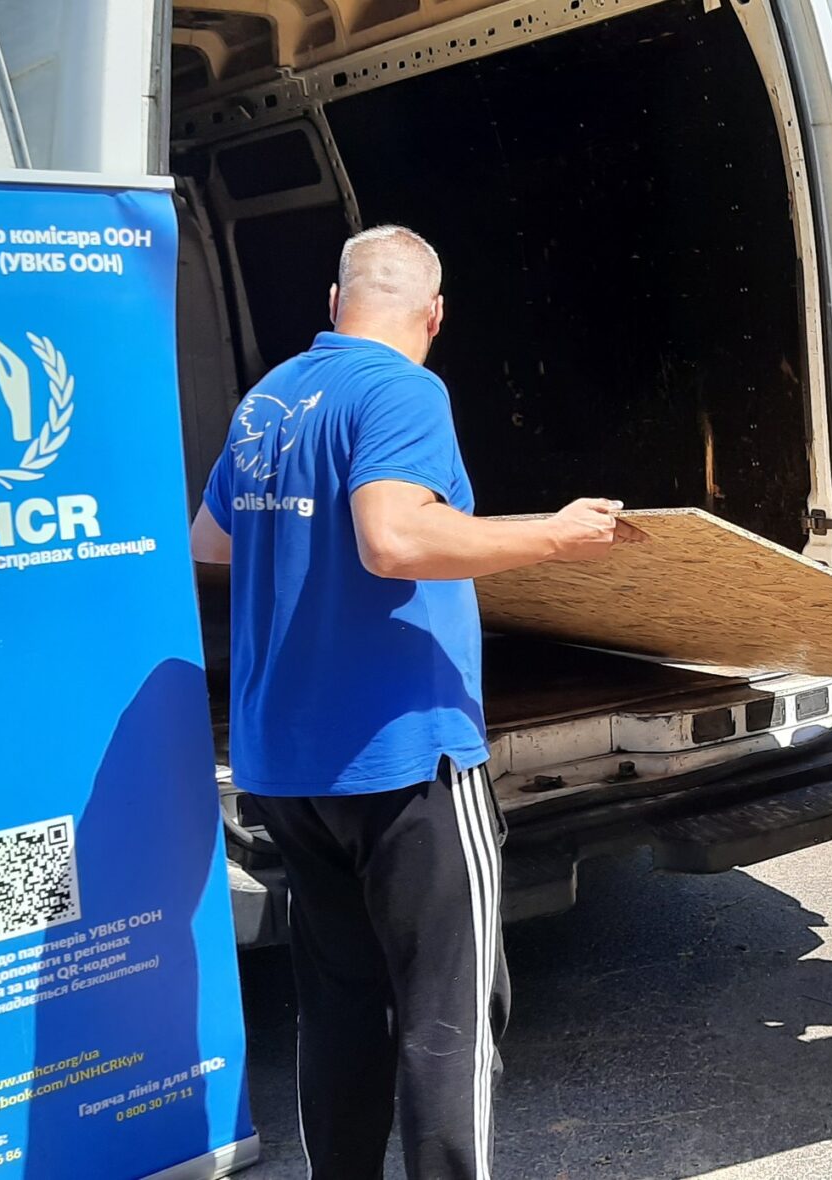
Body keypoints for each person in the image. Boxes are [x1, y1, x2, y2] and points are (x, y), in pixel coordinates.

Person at [188, 225, 630, 1179]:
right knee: (448, 1017)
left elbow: (211, 544)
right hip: (404, 760)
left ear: (334, 300)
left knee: (342, 1007)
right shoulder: (402, 389)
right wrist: (550, 537)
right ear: (433, 314)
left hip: (290, 766)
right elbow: (394, 538)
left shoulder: (270, 400)